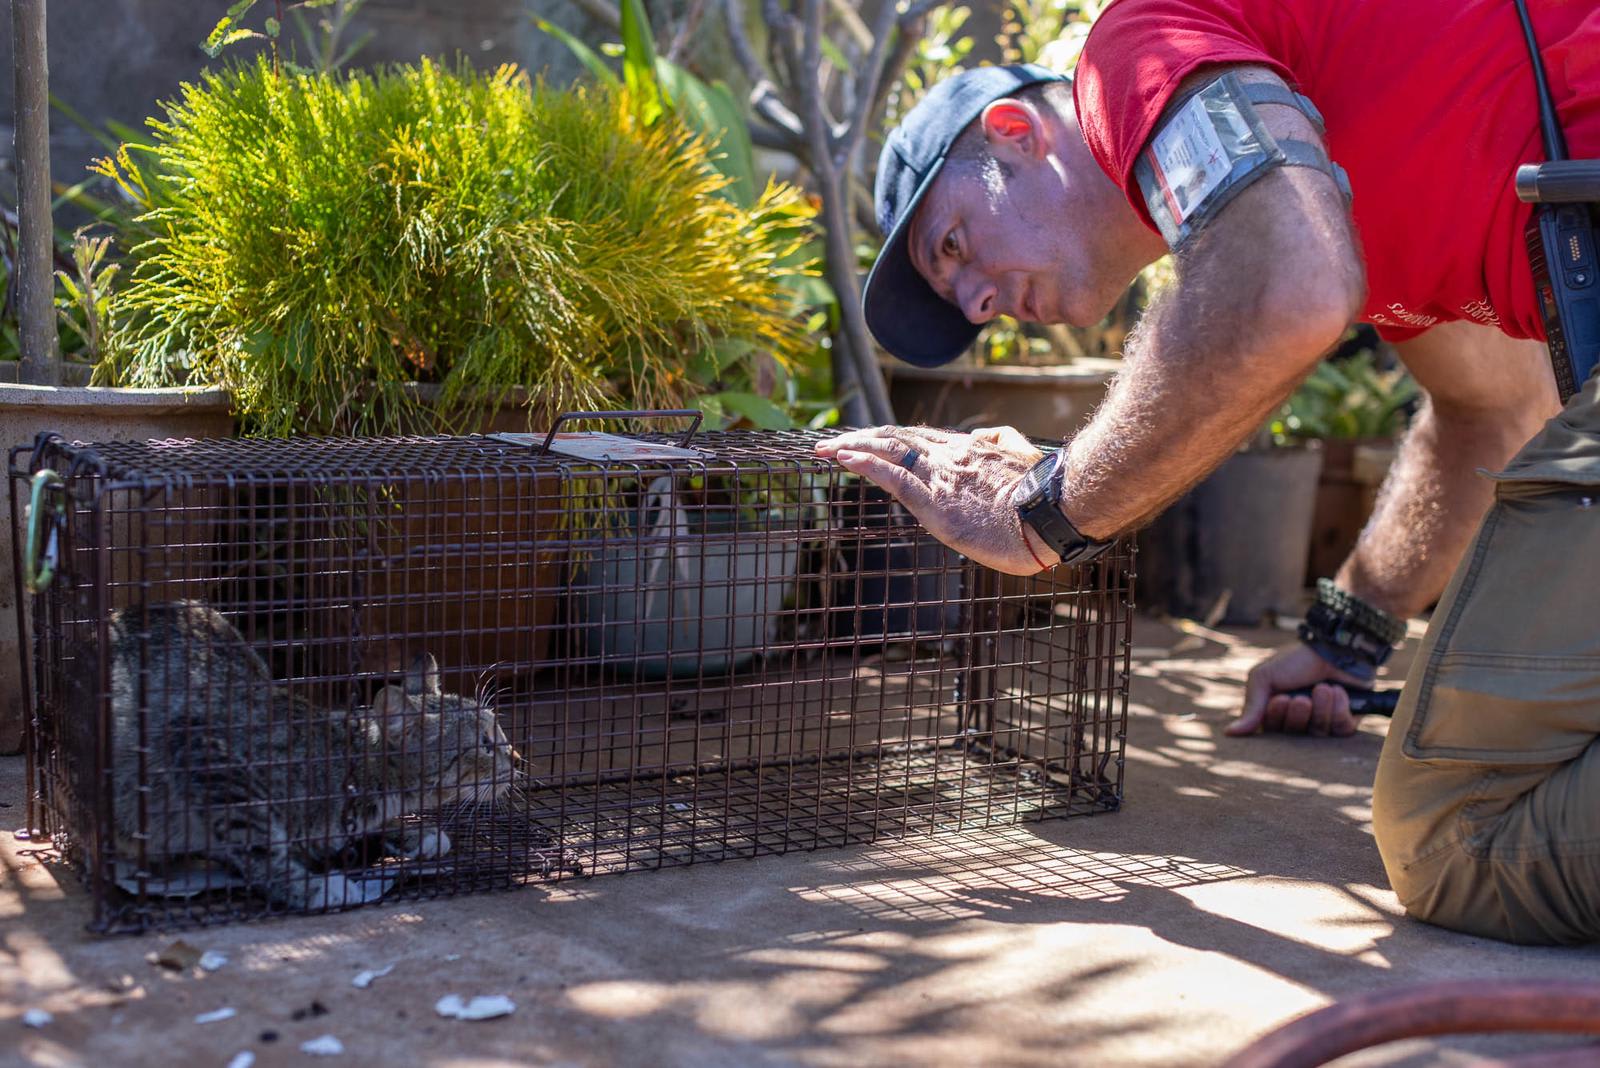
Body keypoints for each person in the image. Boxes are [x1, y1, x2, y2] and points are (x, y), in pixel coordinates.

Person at [816, 0, 1600, 944]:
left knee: (1457, 832)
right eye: (965, 305)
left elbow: (1286, 292)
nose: (982, 301)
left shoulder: (1131, 50)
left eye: (953, 245)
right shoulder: (1324, 188)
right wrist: (1344, 643)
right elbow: (1491, 412)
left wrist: (1039, 515)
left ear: (1014, 133)